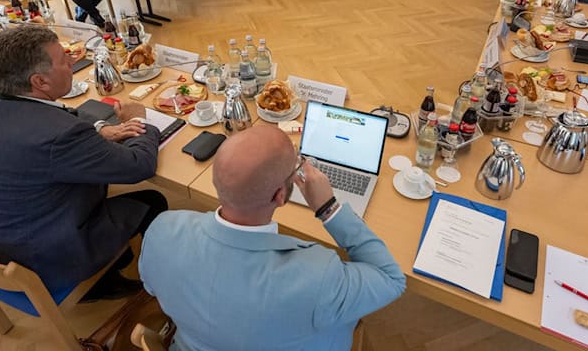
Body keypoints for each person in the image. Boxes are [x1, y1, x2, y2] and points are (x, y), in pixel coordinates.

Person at [140, 126, 406, 350]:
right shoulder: (319, 277)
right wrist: (329, 209)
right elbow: (391, 278)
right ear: (280, 196)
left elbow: (154, 287)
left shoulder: (162, 230)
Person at [0, 25, 167, 299]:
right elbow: (139, 165)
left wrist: (99, 127)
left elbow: (55, 114)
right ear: (39, 82)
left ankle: (112, 269)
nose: (72, 61)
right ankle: (140, 286)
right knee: (152, 201)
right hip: (35, 262)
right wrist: (140, 120)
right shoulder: (60, 136)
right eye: (64, 60)